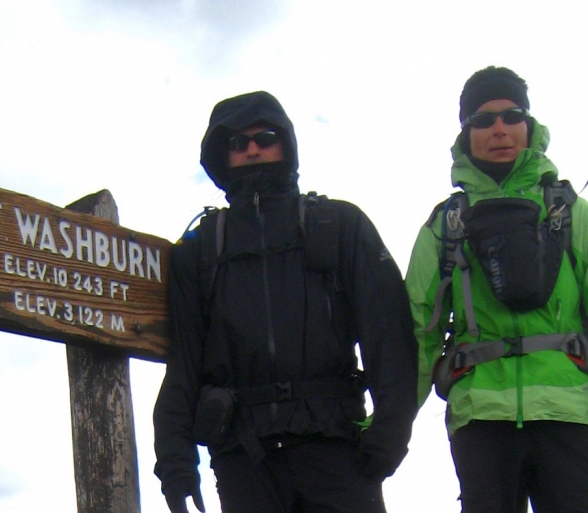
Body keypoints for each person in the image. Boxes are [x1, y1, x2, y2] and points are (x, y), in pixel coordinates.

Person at [153, 91, 418, 513]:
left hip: (337, 450)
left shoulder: (338, 224)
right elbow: (184, 362)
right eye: (238, 143)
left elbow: (389, 335)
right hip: (243, 459)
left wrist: (390, 434)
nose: (253, 149)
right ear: (222, 155)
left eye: (266, 137)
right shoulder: (198, 250)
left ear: (286, 144)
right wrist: (175, 461)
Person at [406, 66, 588, 512]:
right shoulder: (444, 225)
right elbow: (417, 333)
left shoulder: (573, 214)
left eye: (511, 115)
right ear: (466, 132)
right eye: (483, 120)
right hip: (480, 421)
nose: (498, 128)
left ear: (529, 125)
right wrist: (391, 426)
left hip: (568, 414)